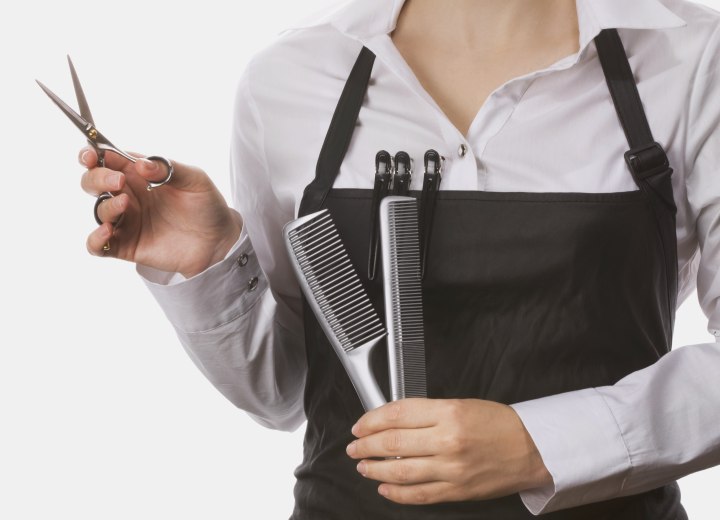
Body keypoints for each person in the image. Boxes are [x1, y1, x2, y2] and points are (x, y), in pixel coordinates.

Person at [77, 0, 720, 517]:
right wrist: (208, 261)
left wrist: (539, 446)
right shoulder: (291, 78)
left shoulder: (693, 59)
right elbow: (281, 394)